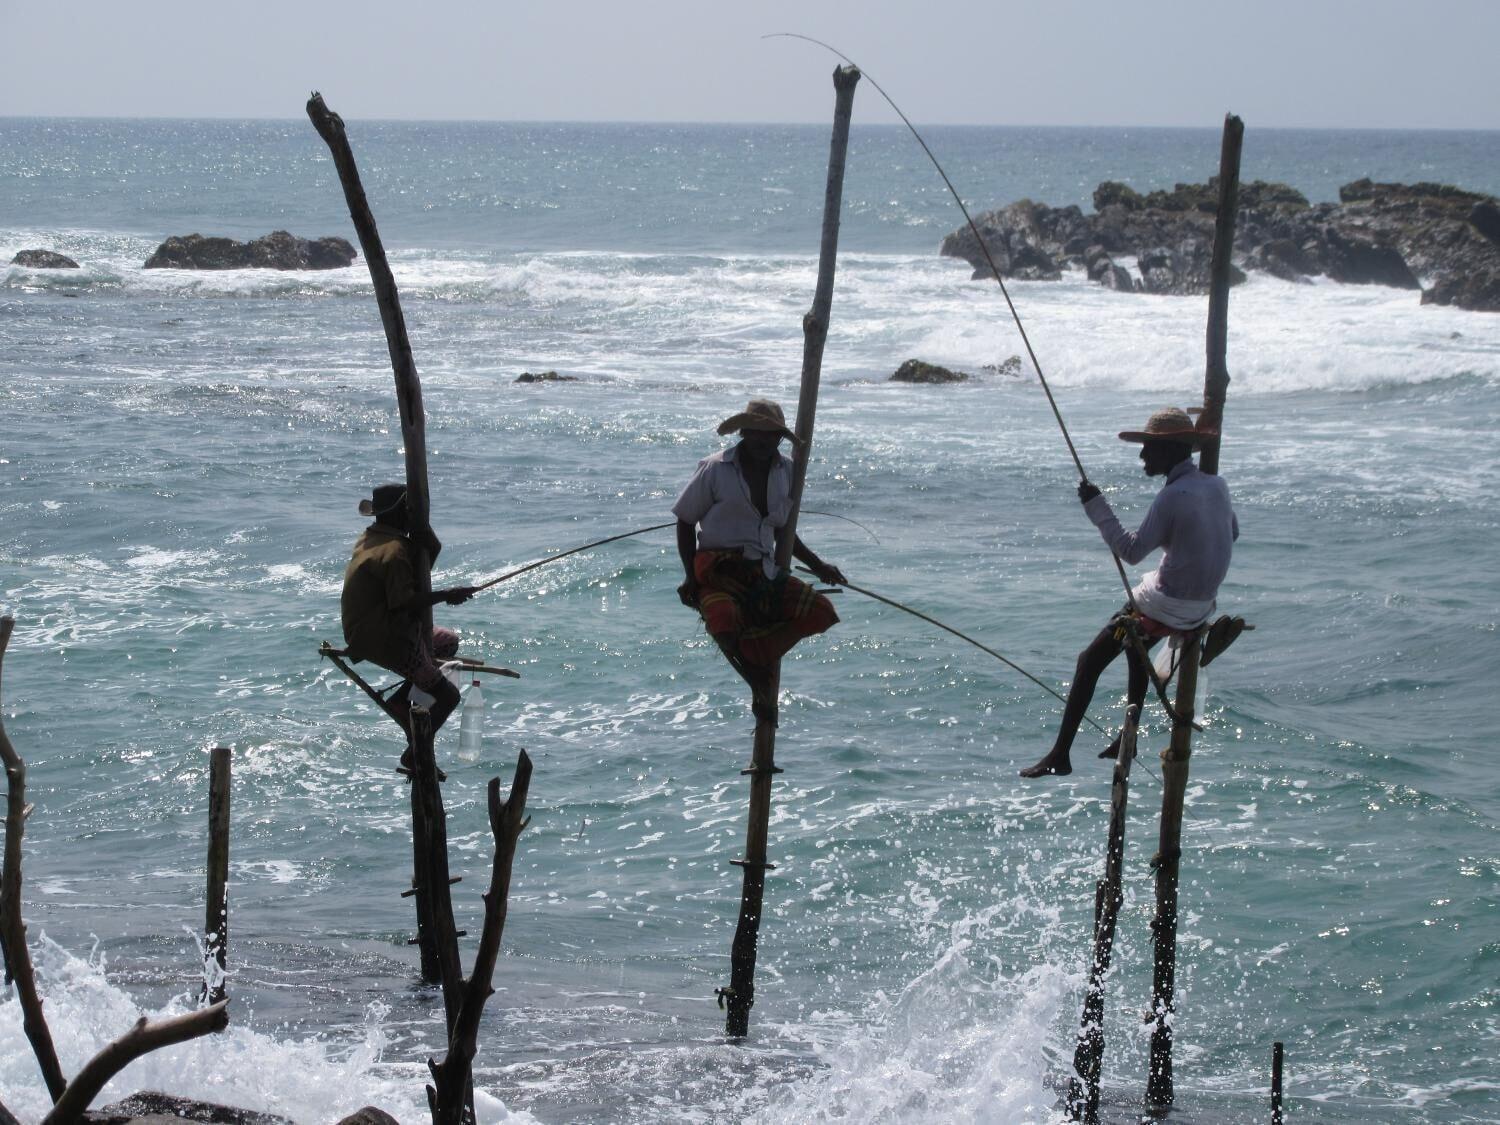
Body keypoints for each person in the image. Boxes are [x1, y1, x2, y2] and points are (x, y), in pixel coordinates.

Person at [1021, 407, 1238, 779]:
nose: (1142, 457)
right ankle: (1129, 737)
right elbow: (1231, 533)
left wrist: (1096, 506)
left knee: (1089, 661)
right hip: (1199, 608)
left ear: (1171, 451)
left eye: (1149, 448)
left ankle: (1060, 754)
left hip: (1163, 610)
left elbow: (1131, 551)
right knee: (1135, 651)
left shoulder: (1171, 496)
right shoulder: (1216, 485)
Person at [673, 398, 847, 719]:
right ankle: (754, 677)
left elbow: (784, 531)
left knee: (821, 612)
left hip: (763, 569)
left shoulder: (787, 472)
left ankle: (755, 651)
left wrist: (819, 566)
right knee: (723, 618)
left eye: (771, 435)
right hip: (718, 568)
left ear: (779, 439)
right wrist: (689, 578)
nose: (763, 441)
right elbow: (685, 520)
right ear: (743, 432)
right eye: (756, 433)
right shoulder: (715, 469)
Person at [341, 483, 477, 737]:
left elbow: (417, 572)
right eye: (409, 511)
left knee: (447, 644)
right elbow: (403, 601)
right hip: (386, 638)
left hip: (365, 629)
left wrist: (430, 542)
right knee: (448, 697)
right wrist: (447, 596)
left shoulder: (372, 538)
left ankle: (402, 700)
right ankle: (415, 753)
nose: (411, 516)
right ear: (400, 513)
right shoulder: (394, 551)